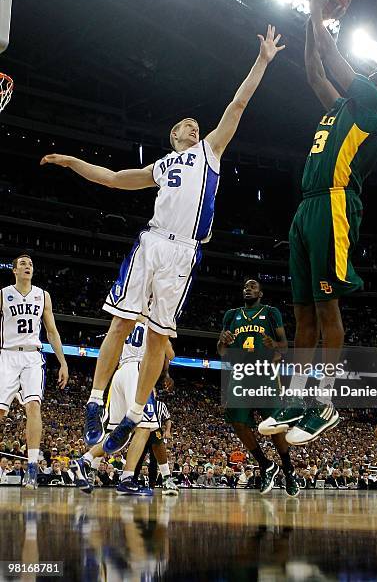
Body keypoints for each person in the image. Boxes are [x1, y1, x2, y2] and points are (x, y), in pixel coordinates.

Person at [40, 25, 285, 455]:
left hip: (183, 252)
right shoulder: (160, 166)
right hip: (151, 242)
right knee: (120, 322)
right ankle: (95, 403)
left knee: (157, 336)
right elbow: (114, 179)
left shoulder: (209, 151)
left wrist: (262, 60)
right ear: (173, 137)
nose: (193, 126)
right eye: (185, 125)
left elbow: (239, 102)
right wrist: (69, 161)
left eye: (195, 124)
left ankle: (134, 414)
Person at [261, 0, 377, 445]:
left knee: (327, 308)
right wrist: (310, 17)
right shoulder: (340, 107)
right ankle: (298, 399)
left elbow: (330, 54)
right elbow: (313, 69)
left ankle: (324, 401)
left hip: (336, 203)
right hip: (306, 209)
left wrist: (321, 8)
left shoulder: (372, 109)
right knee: (302, 313)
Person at [72, 319, 174, 496]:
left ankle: (85, 462)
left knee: (117, 433)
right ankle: (125, 479)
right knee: (143, 428)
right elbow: (170, 354)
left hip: (119, 373)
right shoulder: (156, 320)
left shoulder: (127, 319)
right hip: (138, 371)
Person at [218, 279, 299, 497]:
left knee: (274, 426)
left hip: (265, 373)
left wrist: (275, 345)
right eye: (245, 286)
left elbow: (284, 347)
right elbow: (222, 351)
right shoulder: (231, 315)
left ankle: (288, 469)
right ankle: (265, 465)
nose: (248, 289)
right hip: (240, 374)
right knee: (237, 421)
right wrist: (222, 340)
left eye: (253, 287)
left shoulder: (271, 313)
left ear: (260, 293)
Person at [0, 255, 69, 489]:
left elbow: (52, 331)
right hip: (7, 354)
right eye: (22, 264)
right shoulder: (3, 294)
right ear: (14, 270)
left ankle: (31, 468)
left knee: (34, 406)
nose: (28, 266)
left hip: (32, 356)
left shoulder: (43, 295)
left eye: (30, 264)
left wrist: (63, 362)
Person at [133, 397, 179, 496]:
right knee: (138, 459)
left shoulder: (161, 405)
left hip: (155, 432)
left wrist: (167, 431)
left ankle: (152, 484)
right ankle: (133, 481)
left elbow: (167, 419)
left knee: (154, 461)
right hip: (141, 432)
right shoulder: (140, 402)